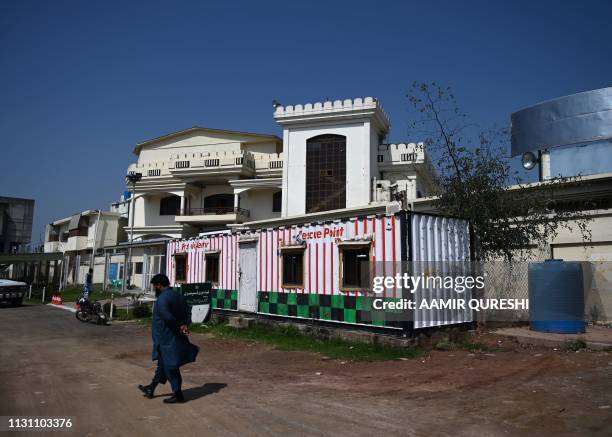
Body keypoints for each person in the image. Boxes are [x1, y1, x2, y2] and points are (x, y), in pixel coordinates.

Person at [138, 274, 199, 404]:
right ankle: (151, 388)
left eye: (155, 286)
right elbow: (189, 312)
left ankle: (178, 394)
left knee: (170, 366)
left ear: (159, 285)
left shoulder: (162, 299)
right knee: (162, 364)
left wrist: (179, 328)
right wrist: (184, 325)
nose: (154, 288)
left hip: (166, 338)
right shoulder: (179, 296)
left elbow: (167, 317)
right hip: (173, 336)